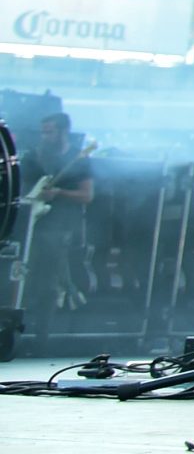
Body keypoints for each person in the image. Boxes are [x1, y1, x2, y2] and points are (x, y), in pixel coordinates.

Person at [14, 112, 94, 324]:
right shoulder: (33, 157)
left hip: (61, 227)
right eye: (43, 132)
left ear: (63, 131)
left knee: (49, 282)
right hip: (32, 225)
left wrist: (59, 193)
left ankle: (43, 331)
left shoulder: (79, 159)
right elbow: (22, 190)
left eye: (49, 132)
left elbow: (87, 195)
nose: (44, 137)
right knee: (24, 276)